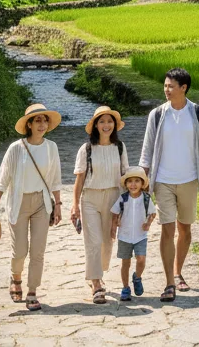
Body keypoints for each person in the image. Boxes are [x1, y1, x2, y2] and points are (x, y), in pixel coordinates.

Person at [138, 67, 199, 302]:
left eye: (171, 86)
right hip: (163, 181)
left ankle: (178, 271)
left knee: (185, 229)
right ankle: (169, 282)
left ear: (184, 88)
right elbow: (147, 150)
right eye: (165, 86)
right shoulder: (158, 115)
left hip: (190, 179)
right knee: (167, 229)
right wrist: (143, 180)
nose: (166, 90)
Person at [0, 103, 63, 312]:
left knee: (38, 251)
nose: (42, 124)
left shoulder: (51, 148)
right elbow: (3, 179)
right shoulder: (16, 148)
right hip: (18, 202)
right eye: (37, 120)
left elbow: (56, 179)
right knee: (20, 250)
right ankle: (16, 277)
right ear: (29, 124)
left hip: (41, 203)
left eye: (44, 120)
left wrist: (58, 204)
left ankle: (32, 291)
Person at [70, 105, 130, 303]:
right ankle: (96, 283)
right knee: (93, 241)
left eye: (109, 121)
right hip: (90, 198)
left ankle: (99, 272)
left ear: (114, 125)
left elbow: (125, 176)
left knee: (107, 241)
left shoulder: (119, 148)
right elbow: (79, 179)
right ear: (95, 125)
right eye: (102, 121)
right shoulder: (86, 149)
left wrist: (126, 203)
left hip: (113, 197)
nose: (106, 125)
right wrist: (75, 205)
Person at [109, 166, 157, 301]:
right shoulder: (123, 198)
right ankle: (125, 287)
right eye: (130, 181)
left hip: (140, 235)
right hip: (124, 236)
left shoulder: (146, 198)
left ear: (142, 184)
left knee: (141, 259)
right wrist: (114, 227)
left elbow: (153, 213)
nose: (133, 184)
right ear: (126, 184)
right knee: (126, 262)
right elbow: (114, 213)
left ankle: (137, 277)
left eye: (137, 181)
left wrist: (148, 224)